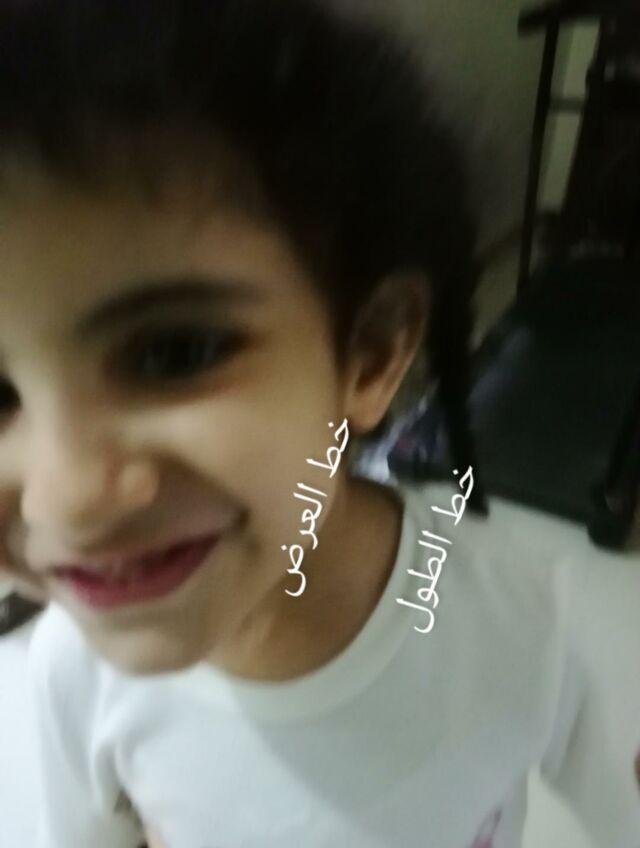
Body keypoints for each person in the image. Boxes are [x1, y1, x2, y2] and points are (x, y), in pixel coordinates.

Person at [0, 2, 637, 847]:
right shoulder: (72, 673)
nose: (67, 500)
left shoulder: (515, 620)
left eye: (174, 352)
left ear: (370, 353)